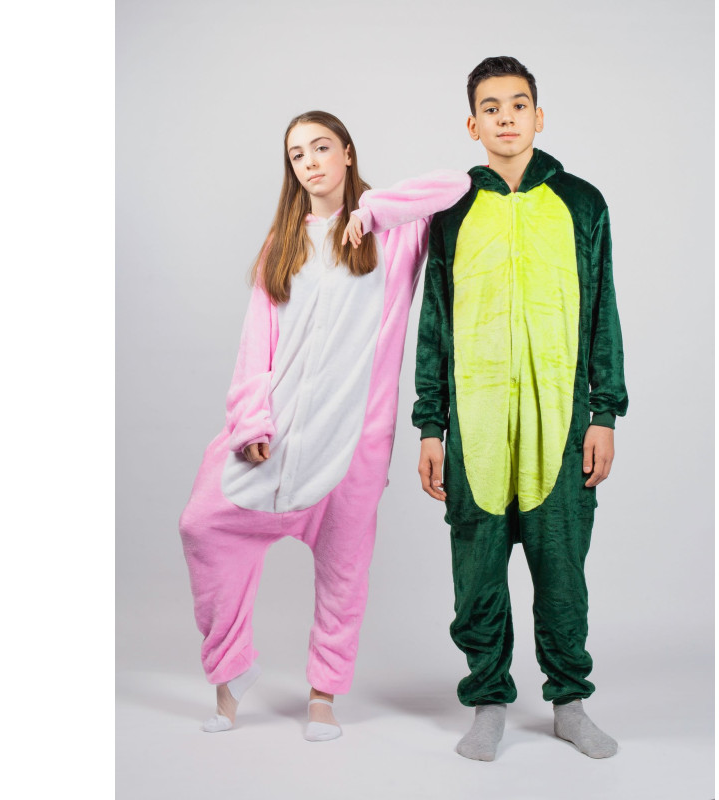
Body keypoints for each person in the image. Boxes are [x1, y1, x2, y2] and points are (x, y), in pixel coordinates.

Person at [179, 110, 469, 742]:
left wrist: (373, 211)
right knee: (202, 524)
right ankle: (231, 674)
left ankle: (323, 697)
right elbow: (255, 344)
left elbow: (456, 184)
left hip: (353, 441)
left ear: (346, 153)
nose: (310, 162)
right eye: (297, 154)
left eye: (321, 147)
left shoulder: (395, 233)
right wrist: (251, 421)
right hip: (276, 437)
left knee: (343, 574)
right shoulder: (282, 245)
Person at [413, 57, 629, 760]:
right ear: (472, 124)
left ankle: (569, 703)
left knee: (562, 570)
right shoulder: (451, 212)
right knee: (475, 573)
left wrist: (603, 414)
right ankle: (487, 702)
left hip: (558, 425)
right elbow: (434, 324)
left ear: (539, 116)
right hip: (474, 427)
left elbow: (602, 314)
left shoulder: (582, 203)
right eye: (491, 107)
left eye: (518, 104)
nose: (505, 117)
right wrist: (431, 426)